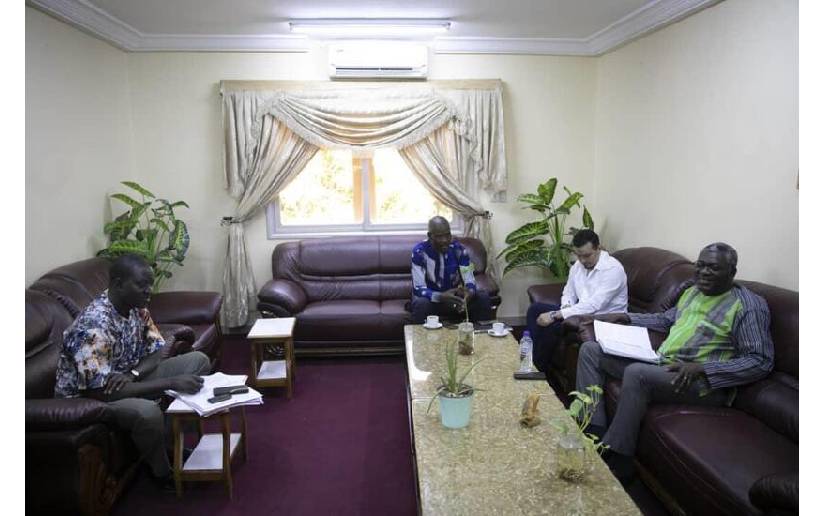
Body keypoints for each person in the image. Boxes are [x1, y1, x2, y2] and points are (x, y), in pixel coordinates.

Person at [574, 243, 774, 482]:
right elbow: (665, 320)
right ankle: (592, 429)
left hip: (702, 382)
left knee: (638, 374)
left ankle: (618, 458)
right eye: (700, 266)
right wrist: (625, 316)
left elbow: (760, 361)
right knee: (591, 350)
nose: (704, 272)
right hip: (663, 364)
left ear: (732, 272)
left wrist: (702, 368)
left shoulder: (748, 306)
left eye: (713, 268)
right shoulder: (694, 292)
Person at [54, 254, 211, 490]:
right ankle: (161, 473)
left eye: (150, 284)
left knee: (198, 361)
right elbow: (101, 392)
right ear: (118, 284)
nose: (149, 291)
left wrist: (133, 374)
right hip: (90, 399)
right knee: (147, 412)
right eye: (142, 285)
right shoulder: (93, 325)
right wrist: (170, 382)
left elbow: (156, 351)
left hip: (125, 378)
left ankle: (167, 443)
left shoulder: (137, 308)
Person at [526, 229, 628, 375]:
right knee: (535, 309)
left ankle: (537, 369)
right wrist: (566, 308)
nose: (582, 260)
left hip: (603, 319)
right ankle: (528, 360)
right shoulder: (578, 266)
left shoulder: (613, 270)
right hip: (580, 313)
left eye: (587, 255)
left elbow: (594, 305)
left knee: (553, 325)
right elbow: (569, 292)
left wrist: (557, 315)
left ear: (598, 248)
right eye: (579, 255)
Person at [410, 216, 493, 324]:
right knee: (421, 303)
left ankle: (482, 332)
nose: (445, 240)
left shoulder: (459, 249)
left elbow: (469, 279)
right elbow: (418, 288)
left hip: (455, 300)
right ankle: (420, 335)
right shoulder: (419, 252)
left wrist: (469, 292)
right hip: (432, 300)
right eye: (439, 236)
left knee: (482, 297)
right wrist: (441, 296)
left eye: (447, 235)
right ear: (430, 236)